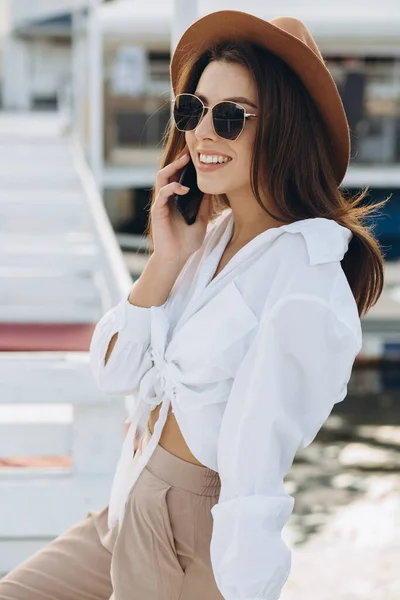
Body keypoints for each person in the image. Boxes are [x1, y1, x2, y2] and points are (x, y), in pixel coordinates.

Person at [0, 10, 388, 600]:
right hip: (128, 500)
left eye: (230, 117)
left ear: (283, 129)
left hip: (188, 536)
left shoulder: (304, 281)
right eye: (192, 110)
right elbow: (113, 371)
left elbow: (255, 469)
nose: (203, 132)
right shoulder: (208, 241)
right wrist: (164, 260)